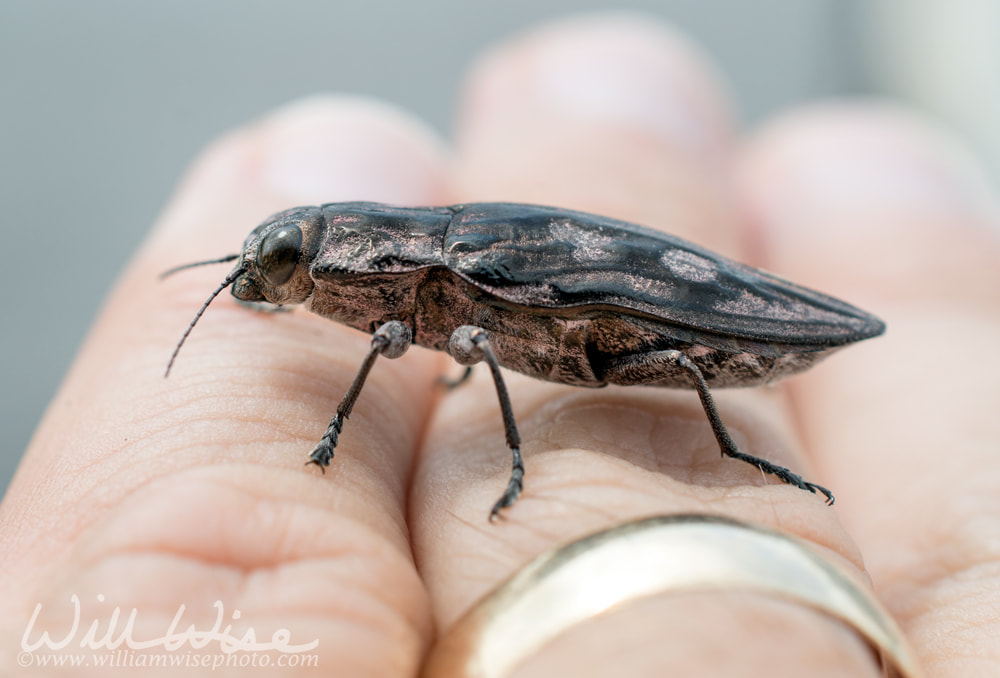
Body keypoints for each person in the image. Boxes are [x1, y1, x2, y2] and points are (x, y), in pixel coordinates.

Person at [3, 14, 997, 676]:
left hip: (685, 340)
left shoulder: (451, 276)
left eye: (288, 267)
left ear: (356, 251)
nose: (285, 285)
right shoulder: (420, 271)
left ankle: (728, 455)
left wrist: (507, 461)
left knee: (671, 359)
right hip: (565, 325)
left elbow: (421, 332)